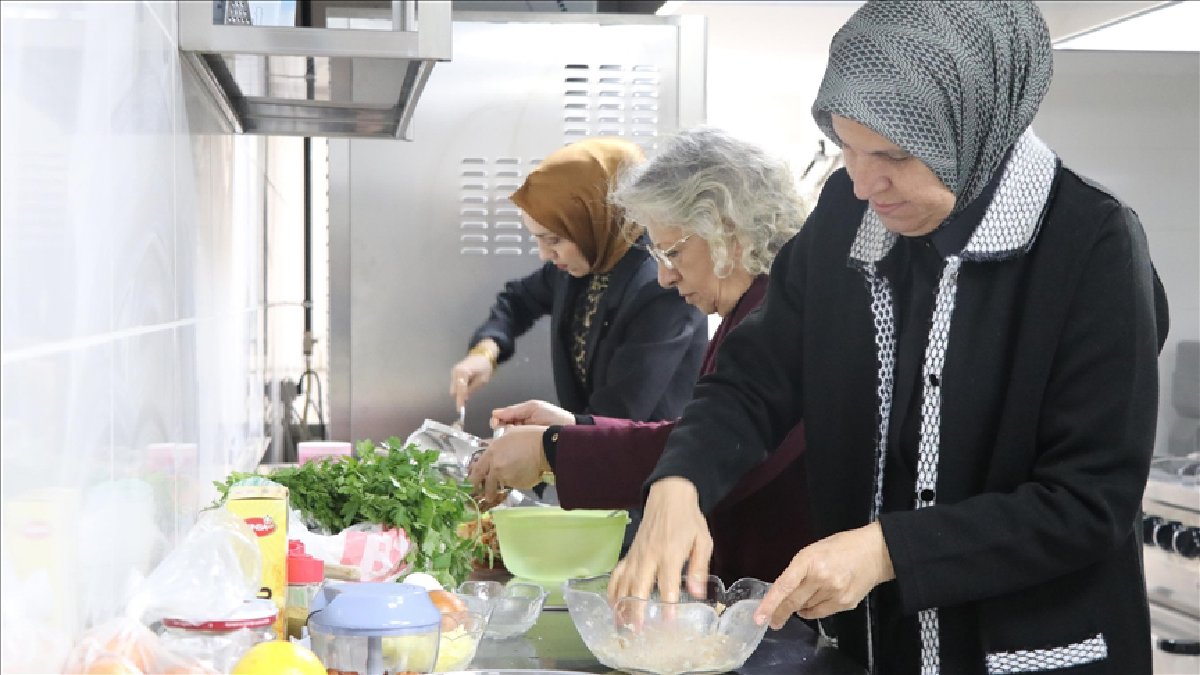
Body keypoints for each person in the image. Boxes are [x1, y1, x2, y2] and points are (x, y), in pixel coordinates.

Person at [610, 2, 1171, 674]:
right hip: (881, 654)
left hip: (1037, 654)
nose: (862, 180)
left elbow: (1088, 501)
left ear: (975, 129)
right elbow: (751, 379)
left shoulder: (1091, 245)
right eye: (847, 147)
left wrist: (886, 551)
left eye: (894, 156)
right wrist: (681, 482)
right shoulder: (848, 216)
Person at [468, 128, 815, 584]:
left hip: (780, 591)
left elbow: (717, 451)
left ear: (729, 233)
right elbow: (694, 436)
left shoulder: (774, 319)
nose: (666, 277)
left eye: (672, 253)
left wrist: (553, 449)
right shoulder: (747, 309)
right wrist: (573, 429)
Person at [449, 138, 707, 423]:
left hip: (650, 461)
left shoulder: (662, 286)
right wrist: (486, 352)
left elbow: (620, 415)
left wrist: (544, 438)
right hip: (593, 448)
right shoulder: (585, 260)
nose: (544, 255)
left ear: (592, 221)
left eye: (554, 240)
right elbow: (518, 300)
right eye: (539, 239)